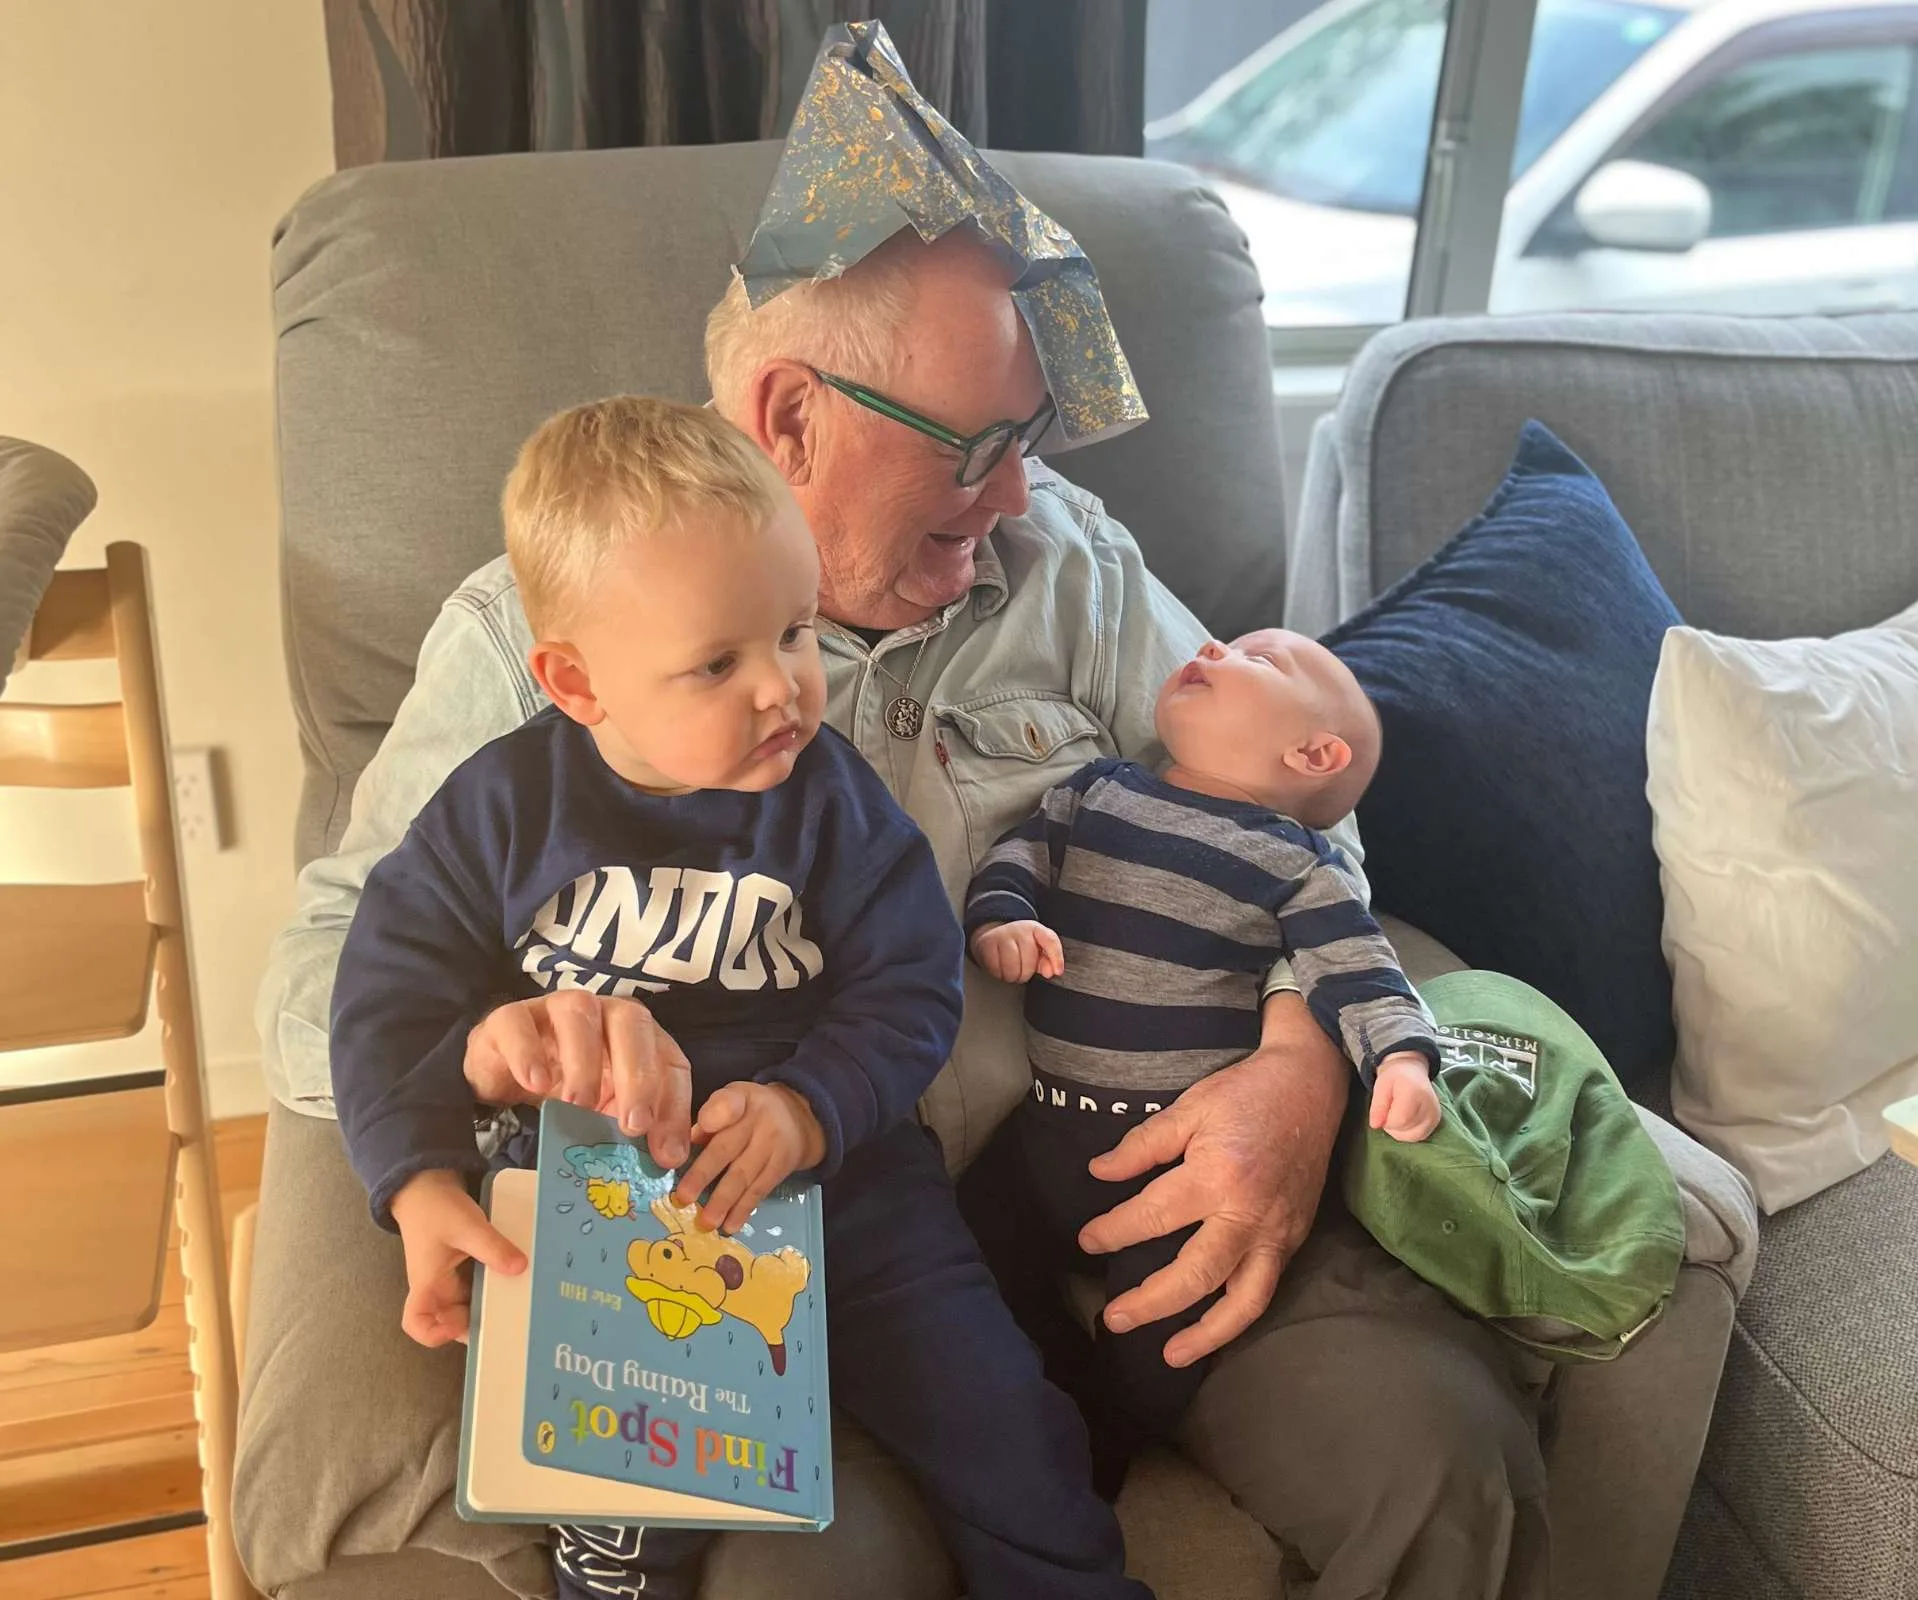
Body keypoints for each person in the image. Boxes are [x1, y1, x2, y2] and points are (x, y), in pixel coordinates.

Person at [256, 23, 1549, 1597]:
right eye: (983, 443)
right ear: (790, 414)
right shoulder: (542, 646)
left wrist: (1298, 1072)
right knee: (833, 1573)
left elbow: (1307, 813)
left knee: (1430, 1445)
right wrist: (502, 1042)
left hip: (1126, 1182)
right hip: (784, 1225)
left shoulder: (1066, 563)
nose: (1020, 491)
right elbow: (321, 980)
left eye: (1036, 439)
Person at [327, 396, 1153, 1600]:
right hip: (598, 1207)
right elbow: (386, 991)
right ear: (576, 682)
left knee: (1009, 1430)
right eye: (717, 663)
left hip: (849, 1200)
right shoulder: (499, 809)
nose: (781, 690)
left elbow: (911, 979)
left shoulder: (827, 800)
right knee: (620, 1513)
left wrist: (810, 1105)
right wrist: (414, 1177)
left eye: (796, 632)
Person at [962, 628, 1442, 1487]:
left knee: (1170, 1324)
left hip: (1179, 1154)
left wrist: (1401, 1059)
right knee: (974, 1240)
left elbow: (1359, 968)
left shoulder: (1299, 865)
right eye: (1225, 642)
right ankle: (1053, 1374)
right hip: (1043, 1124)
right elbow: (1023, 851)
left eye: (1256, 659)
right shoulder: (1098, 789)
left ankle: (1112, 1440)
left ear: (1313, 751)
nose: (1214, 645)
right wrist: (1003, 916)